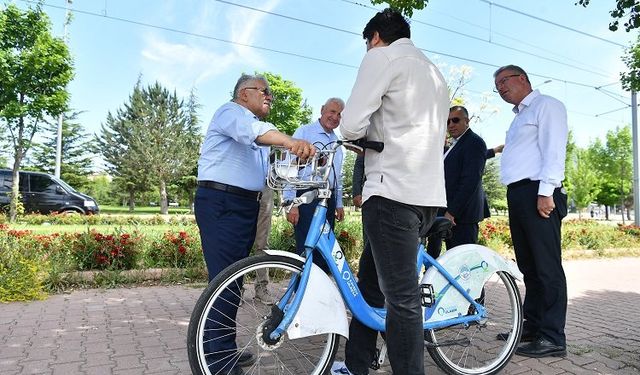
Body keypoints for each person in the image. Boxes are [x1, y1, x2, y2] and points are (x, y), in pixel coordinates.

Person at [334, 8, 449, 375]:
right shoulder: (435, 73)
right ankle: (356, 365)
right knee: (370, 285)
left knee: (402, 300)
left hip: (391, 193)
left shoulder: (382, 57)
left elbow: (350, 124)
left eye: (367, 44)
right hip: (426, 196)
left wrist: (355, 136)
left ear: (376, 37)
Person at [195, 73, 315, 375]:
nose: (269, 97)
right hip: (223, 203)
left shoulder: (257, 135)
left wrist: (296, 159)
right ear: (243, 93)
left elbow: (271, 172)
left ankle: (222, 350)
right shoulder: (232, 113)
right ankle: (218, 362)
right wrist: (290, 140)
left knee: (233, 282)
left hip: (244, 205)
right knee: (224, 282)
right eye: (264, 91)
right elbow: (257, 132)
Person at [493, 65, 569, 358]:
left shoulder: (546, 106)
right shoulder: (519, 118)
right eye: (496, 85)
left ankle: (553, 337)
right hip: (519, 194)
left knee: (547, 268)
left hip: (539, 191)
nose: (500, 88)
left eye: (504, 81)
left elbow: (553, 149)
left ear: (522, 79)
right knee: (530, 267)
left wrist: (546, 191)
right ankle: (532, 327)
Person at [284, 98, 345, 272]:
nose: (335, 117)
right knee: (306, 246)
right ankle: (303, 292)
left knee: (325, 247)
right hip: (306, 196)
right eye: (332, 111)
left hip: (329, 198)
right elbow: (290, 167)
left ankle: (321, 292)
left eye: (339, 114)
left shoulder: (337, 143)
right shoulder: (304, 132)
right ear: (322, 109)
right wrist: (291, 203)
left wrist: (339, 203)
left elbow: (337, 176)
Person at [426, 105, 488, 258]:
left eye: (455, 120)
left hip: (461, 216)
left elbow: (470, 180)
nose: (451, 125)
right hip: (446, 213)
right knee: (443, 260)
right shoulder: (453, 145)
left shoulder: (474, 142)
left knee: (463, 264)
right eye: (447, 122)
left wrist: (452, 212)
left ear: (466, 121)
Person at [252, 185, 276, 304]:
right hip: (241, 185)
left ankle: (261, 288)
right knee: (239, 243)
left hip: (266, 187)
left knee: (262, 243)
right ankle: (236, 289)